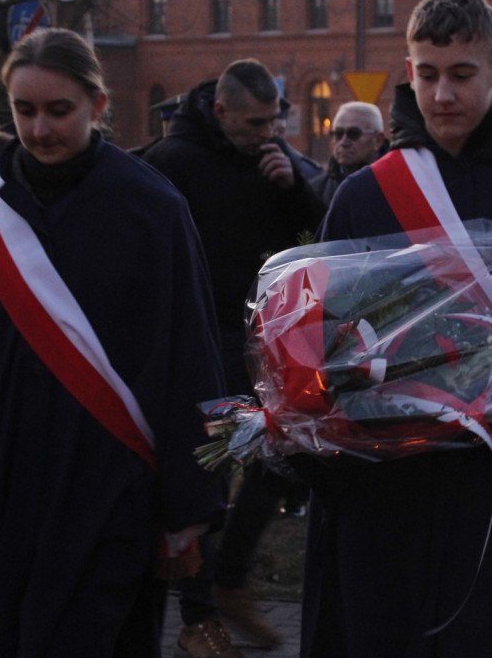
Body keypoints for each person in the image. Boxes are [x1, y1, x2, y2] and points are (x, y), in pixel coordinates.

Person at [300, 0, 492, 658]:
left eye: (462, 75)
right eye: (427, 75)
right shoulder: (362, 196)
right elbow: (316, 346)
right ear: (408, 72)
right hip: (383, 503)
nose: (442, 96)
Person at [0, 28, 227, 657]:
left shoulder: (152, 206)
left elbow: (186, 357)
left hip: (104, 490)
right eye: (24, 111)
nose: (39, 129)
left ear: (98, 106)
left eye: (58, 110)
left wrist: (190, 503)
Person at [145, 59, 325, 657]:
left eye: (274, 122)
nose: (265, 134)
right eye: (253, 124)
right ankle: (201, 617)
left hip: (264, 340)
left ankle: (230, 580)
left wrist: (293, 188)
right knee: (211, 475)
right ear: (220, 112)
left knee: (288, 456)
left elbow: (314, 234)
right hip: (199, 340)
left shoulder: (274, 163)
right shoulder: (172, 162)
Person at [309, 101, 387, 206]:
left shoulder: (395, 186)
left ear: (378, 140)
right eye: (338, 134)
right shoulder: (315, 191)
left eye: (354, 134)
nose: (344, 142)